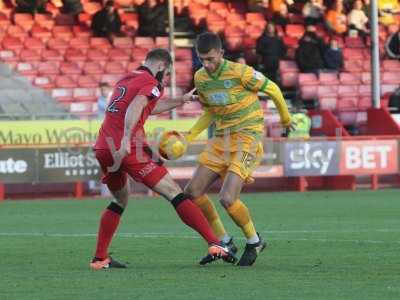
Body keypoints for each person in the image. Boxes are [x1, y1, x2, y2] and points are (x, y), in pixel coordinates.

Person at [90, 48, 236, 270]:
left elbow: (149, 106)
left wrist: (181, 100)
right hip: (126, 147)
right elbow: (137, 106)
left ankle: (100, 259)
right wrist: (126, 139)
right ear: (160, 66)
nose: (165, 78)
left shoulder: (128, 78)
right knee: (174, 193)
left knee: (120, 199)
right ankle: (215, 244)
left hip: (103, 146)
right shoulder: (151, 81)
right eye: (166, 73)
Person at [182, 32, 294, 266]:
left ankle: (254, 241)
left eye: (211, 58)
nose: (207, 64)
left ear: (221, 53)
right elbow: (211, 111)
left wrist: (285, 119)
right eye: (202, 59)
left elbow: (272, 88)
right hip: (222, 139)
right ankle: (224, 241)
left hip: (247, 136)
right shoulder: (201, 78)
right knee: (192, 192)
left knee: (227, 197)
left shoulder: (240, 72)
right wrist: (189, 136)